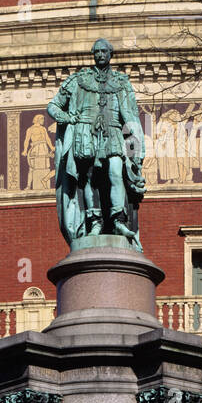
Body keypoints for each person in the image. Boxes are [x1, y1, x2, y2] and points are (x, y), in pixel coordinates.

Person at [46, 39, 146, 248]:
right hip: (86, 134)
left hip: (114, 132)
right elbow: (53, 106)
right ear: (93, 54)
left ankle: (118, 219)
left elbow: (130, 118)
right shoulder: (79, 80)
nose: (100, 55)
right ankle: (95, 221)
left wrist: (136, 148)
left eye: (104, 51)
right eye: (97, 51)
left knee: (116, 171)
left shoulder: (121, 82)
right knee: (89, 177)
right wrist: (67, 118)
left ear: (111, 54)